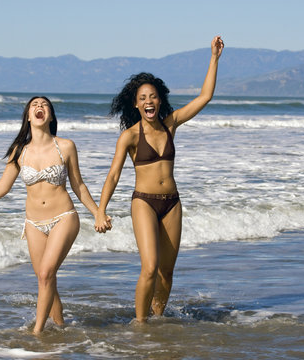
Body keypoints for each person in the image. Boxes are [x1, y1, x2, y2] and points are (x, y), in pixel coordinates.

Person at [94, 36, 224, 323]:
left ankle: (157, 319)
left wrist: (213, 58)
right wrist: (101, 210)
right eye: (143, 98)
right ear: (136, 105)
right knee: (150, 268)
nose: (148, 101)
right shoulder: (129, 136)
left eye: (152, 96)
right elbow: (114, 174)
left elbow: (205, 97)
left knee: (167, 272)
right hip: (144, 202)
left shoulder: (170, 124)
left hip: (172, 204)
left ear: (159, 100)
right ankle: (139, 324)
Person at [0, 96, 109, 334]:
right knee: (46, 279)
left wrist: (98, 213)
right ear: (28, 116)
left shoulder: (65, 146)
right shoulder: (19, 151)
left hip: (64, 217)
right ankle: (59, 327)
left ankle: (37, 333)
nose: (39, 107)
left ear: (51, 116)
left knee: (46, 273)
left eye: (44, 105)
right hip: (33, 223)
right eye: (34, 105)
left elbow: (79, 186)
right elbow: (1, 187)